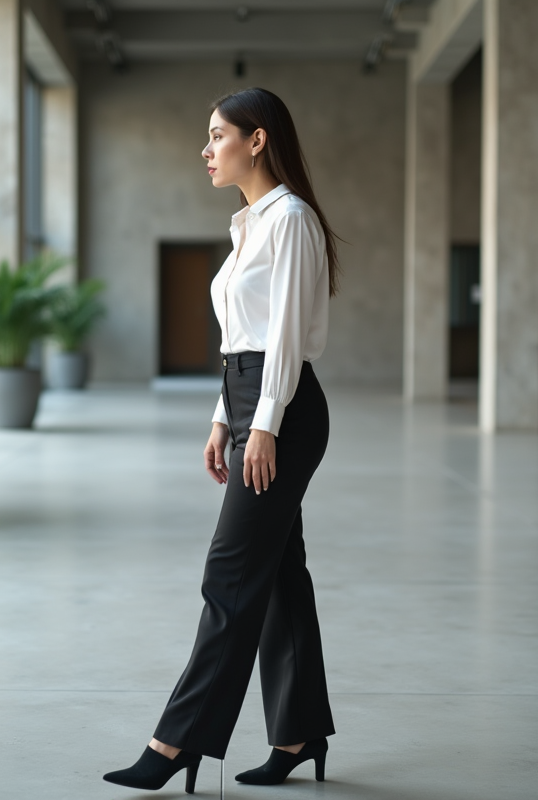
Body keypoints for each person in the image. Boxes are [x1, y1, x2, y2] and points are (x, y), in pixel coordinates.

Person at [103, 87, 342, 794]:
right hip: (248, 400)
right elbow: (239, 342)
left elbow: (287, 340)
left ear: (258, 139)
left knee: (230, 575)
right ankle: (299, 733)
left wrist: (262, 425)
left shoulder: (290, 220)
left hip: (285, 409)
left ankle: (177, 742)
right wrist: (222, 418)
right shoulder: (248, 226)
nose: (206, 150)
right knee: (277, 579)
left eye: (217, 135)